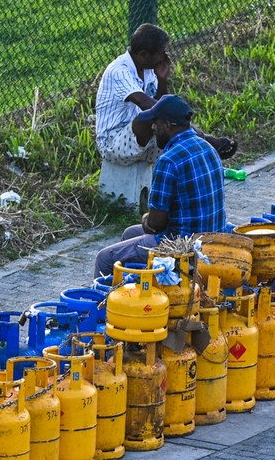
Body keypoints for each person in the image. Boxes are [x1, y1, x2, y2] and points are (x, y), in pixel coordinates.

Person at [94, 95, 227, 276]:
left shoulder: (168, 161)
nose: (153, 128)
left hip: (182, 247)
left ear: (167, 125)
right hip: (211, 238)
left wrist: (145, 218)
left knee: (105, 258)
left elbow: (154, 225)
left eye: (156, 122)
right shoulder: (207, 147)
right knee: (129, 234)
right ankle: (138, 290)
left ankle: (109, 302)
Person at [94, 23, 237, 165]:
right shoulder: (119, 71)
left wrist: (162, 80)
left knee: (177, 136)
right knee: (147, 117)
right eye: (161, 52)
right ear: (143, 54)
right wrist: (188, 124)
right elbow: (146, 104)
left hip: (143, 140)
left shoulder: (148, 69)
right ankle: (206, 140)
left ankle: (202, 147)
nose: (165, 55)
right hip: (113, 143)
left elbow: (160, 102)